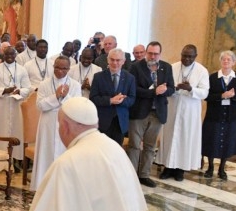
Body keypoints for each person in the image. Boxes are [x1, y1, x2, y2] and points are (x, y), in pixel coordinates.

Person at [158, 44, 210, 181]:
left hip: (190, 110)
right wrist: (174, 88)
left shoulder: (202, 71)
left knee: (185, 138)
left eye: (190, 56)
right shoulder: (172, 67)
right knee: (170, 137)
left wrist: (191, 89)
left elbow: (205, 92)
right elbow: (164, 85)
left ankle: (180, 170)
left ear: (195, 56)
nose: (186, 59)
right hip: (172, 107)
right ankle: (167, 168)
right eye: (184, 56)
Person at [127, 41, 175, 187]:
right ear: (146, 52)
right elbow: (133, 89)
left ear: (160, 54)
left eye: (156, 53)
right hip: (139, 112)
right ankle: (131, 175)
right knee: (134, 145)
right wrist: (153, 92)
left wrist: (164, 91)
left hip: (157, 112)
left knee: (150, 146)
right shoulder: (136, 67)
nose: (152, 56)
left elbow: (172, 88)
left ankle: (144, 175)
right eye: (150, 53)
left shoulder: (166, 67)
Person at [31, 56, 82, 191]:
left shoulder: (75, 85)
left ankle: (63, 186)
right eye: (57, 67)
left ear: (68, 69)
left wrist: (65, 96)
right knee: (46, 153)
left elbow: (76, 107)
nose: (60, 71)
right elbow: (40, 105)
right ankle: (43, 185)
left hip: (66, 124)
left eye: (64, 68)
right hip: (47, 123)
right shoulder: (44, 84)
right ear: (53, 67)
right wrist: (56, 96)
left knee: (64, 154)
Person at [202, 50, 236, 180]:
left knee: (227, 142)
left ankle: (222, 168)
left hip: (231, 117)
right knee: (211, 141)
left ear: (233, 62)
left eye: (229, 60)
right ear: (220, 61)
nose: (226, 62)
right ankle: (210, 167)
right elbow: (207, 96)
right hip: (214, 116)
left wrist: (233, 96)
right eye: (224, 59)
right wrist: (222, 96)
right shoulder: (212, 77)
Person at [0, 46, 31, 166]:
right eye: (7, 55)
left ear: (16, 55)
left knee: (16, 130)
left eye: (12, 55)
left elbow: (28, 87)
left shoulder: (22, 70)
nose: (10, 57)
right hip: (0, 106)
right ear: (3, 55)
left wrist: (20, 91)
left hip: (16, 105)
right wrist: (5, 90)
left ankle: (14, 159)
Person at [89, 48, 136, 145]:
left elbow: (132, 99)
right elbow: (93, 98)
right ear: (107, 60)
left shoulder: (130, 78)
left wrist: (120, 100)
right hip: (103, 122)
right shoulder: (98, 77)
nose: (115, 63)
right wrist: (110, 100)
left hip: (120, 123)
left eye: (118, 60)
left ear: (123, 61)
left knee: (116, 153)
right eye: (112, 59)